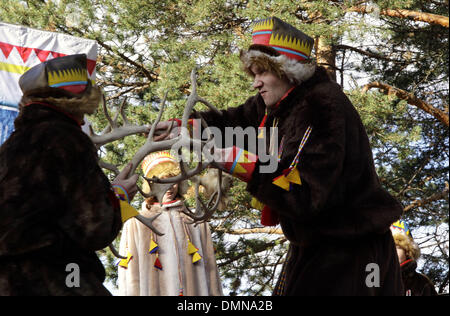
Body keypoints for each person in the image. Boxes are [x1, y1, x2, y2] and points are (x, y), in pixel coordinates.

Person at [155, 17, 404, 295]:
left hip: (352, 251)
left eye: (262, 72)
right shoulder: (278, 103)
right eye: (253, 74)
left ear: (288, 70)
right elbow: (231, 122)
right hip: (318, 246)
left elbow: (304, 193)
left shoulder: (320, 105)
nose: (255, 83)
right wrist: (185, 127)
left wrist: (241, 164)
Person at [0, 54, 138, 295]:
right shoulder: (67, 140)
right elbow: (94, 228)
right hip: (54, 278)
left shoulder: (8, 148)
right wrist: (119, 197)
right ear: (76, 102)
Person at [118, 151, 223, 296]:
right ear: (151, 185)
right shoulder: (136, 223)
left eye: (173, 180)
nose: (169, 187)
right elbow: (129, 276)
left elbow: (211, 271)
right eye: (162, 181)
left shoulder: (196, 220)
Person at [391, 220, 438, 296]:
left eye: (397, 247)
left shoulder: (422, 283)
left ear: (407, 252)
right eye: (386, 249)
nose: (391, 252)